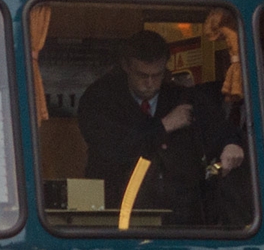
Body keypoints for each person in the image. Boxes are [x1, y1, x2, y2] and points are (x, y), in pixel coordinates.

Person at [74, 28, 247, 225]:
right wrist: (164, 126)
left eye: (156, 75)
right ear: (125, 66)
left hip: (181, 217)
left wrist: (231, 144)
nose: (149, 83)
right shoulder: (100, 100)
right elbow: (114, 147)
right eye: (142, 75)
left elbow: (220, 128)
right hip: (119, 213)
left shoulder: (183, 98)